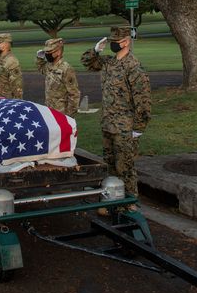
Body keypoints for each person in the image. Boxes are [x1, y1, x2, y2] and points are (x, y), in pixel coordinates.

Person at [80, 26, 151, 208]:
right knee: (110, 165)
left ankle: (130, 202)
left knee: (125, 167)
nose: (113, 45)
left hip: (124, 127)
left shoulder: (133, 67)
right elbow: (88, 63)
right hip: (108, 124)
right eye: (111, 42)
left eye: (116, 42)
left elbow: (143, 101)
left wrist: (138, 128)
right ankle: (112, 200)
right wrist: (96, 50)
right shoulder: (109, 63)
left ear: (126, 42)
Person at [36, 37, 80, 118]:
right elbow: (42, 70)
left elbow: (74, 94)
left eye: (49, 52)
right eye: (46, 52)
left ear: (58, 52)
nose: (47, 54)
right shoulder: (49, 65)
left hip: (61, 112)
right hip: (50, 110)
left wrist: (69, 116)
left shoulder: (66, 68)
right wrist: (39, 59)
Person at [0, 32, 23, 99]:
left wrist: (17, 103)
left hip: (6, 100)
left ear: (6, 45)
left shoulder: (11, 61)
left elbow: (17, 86)